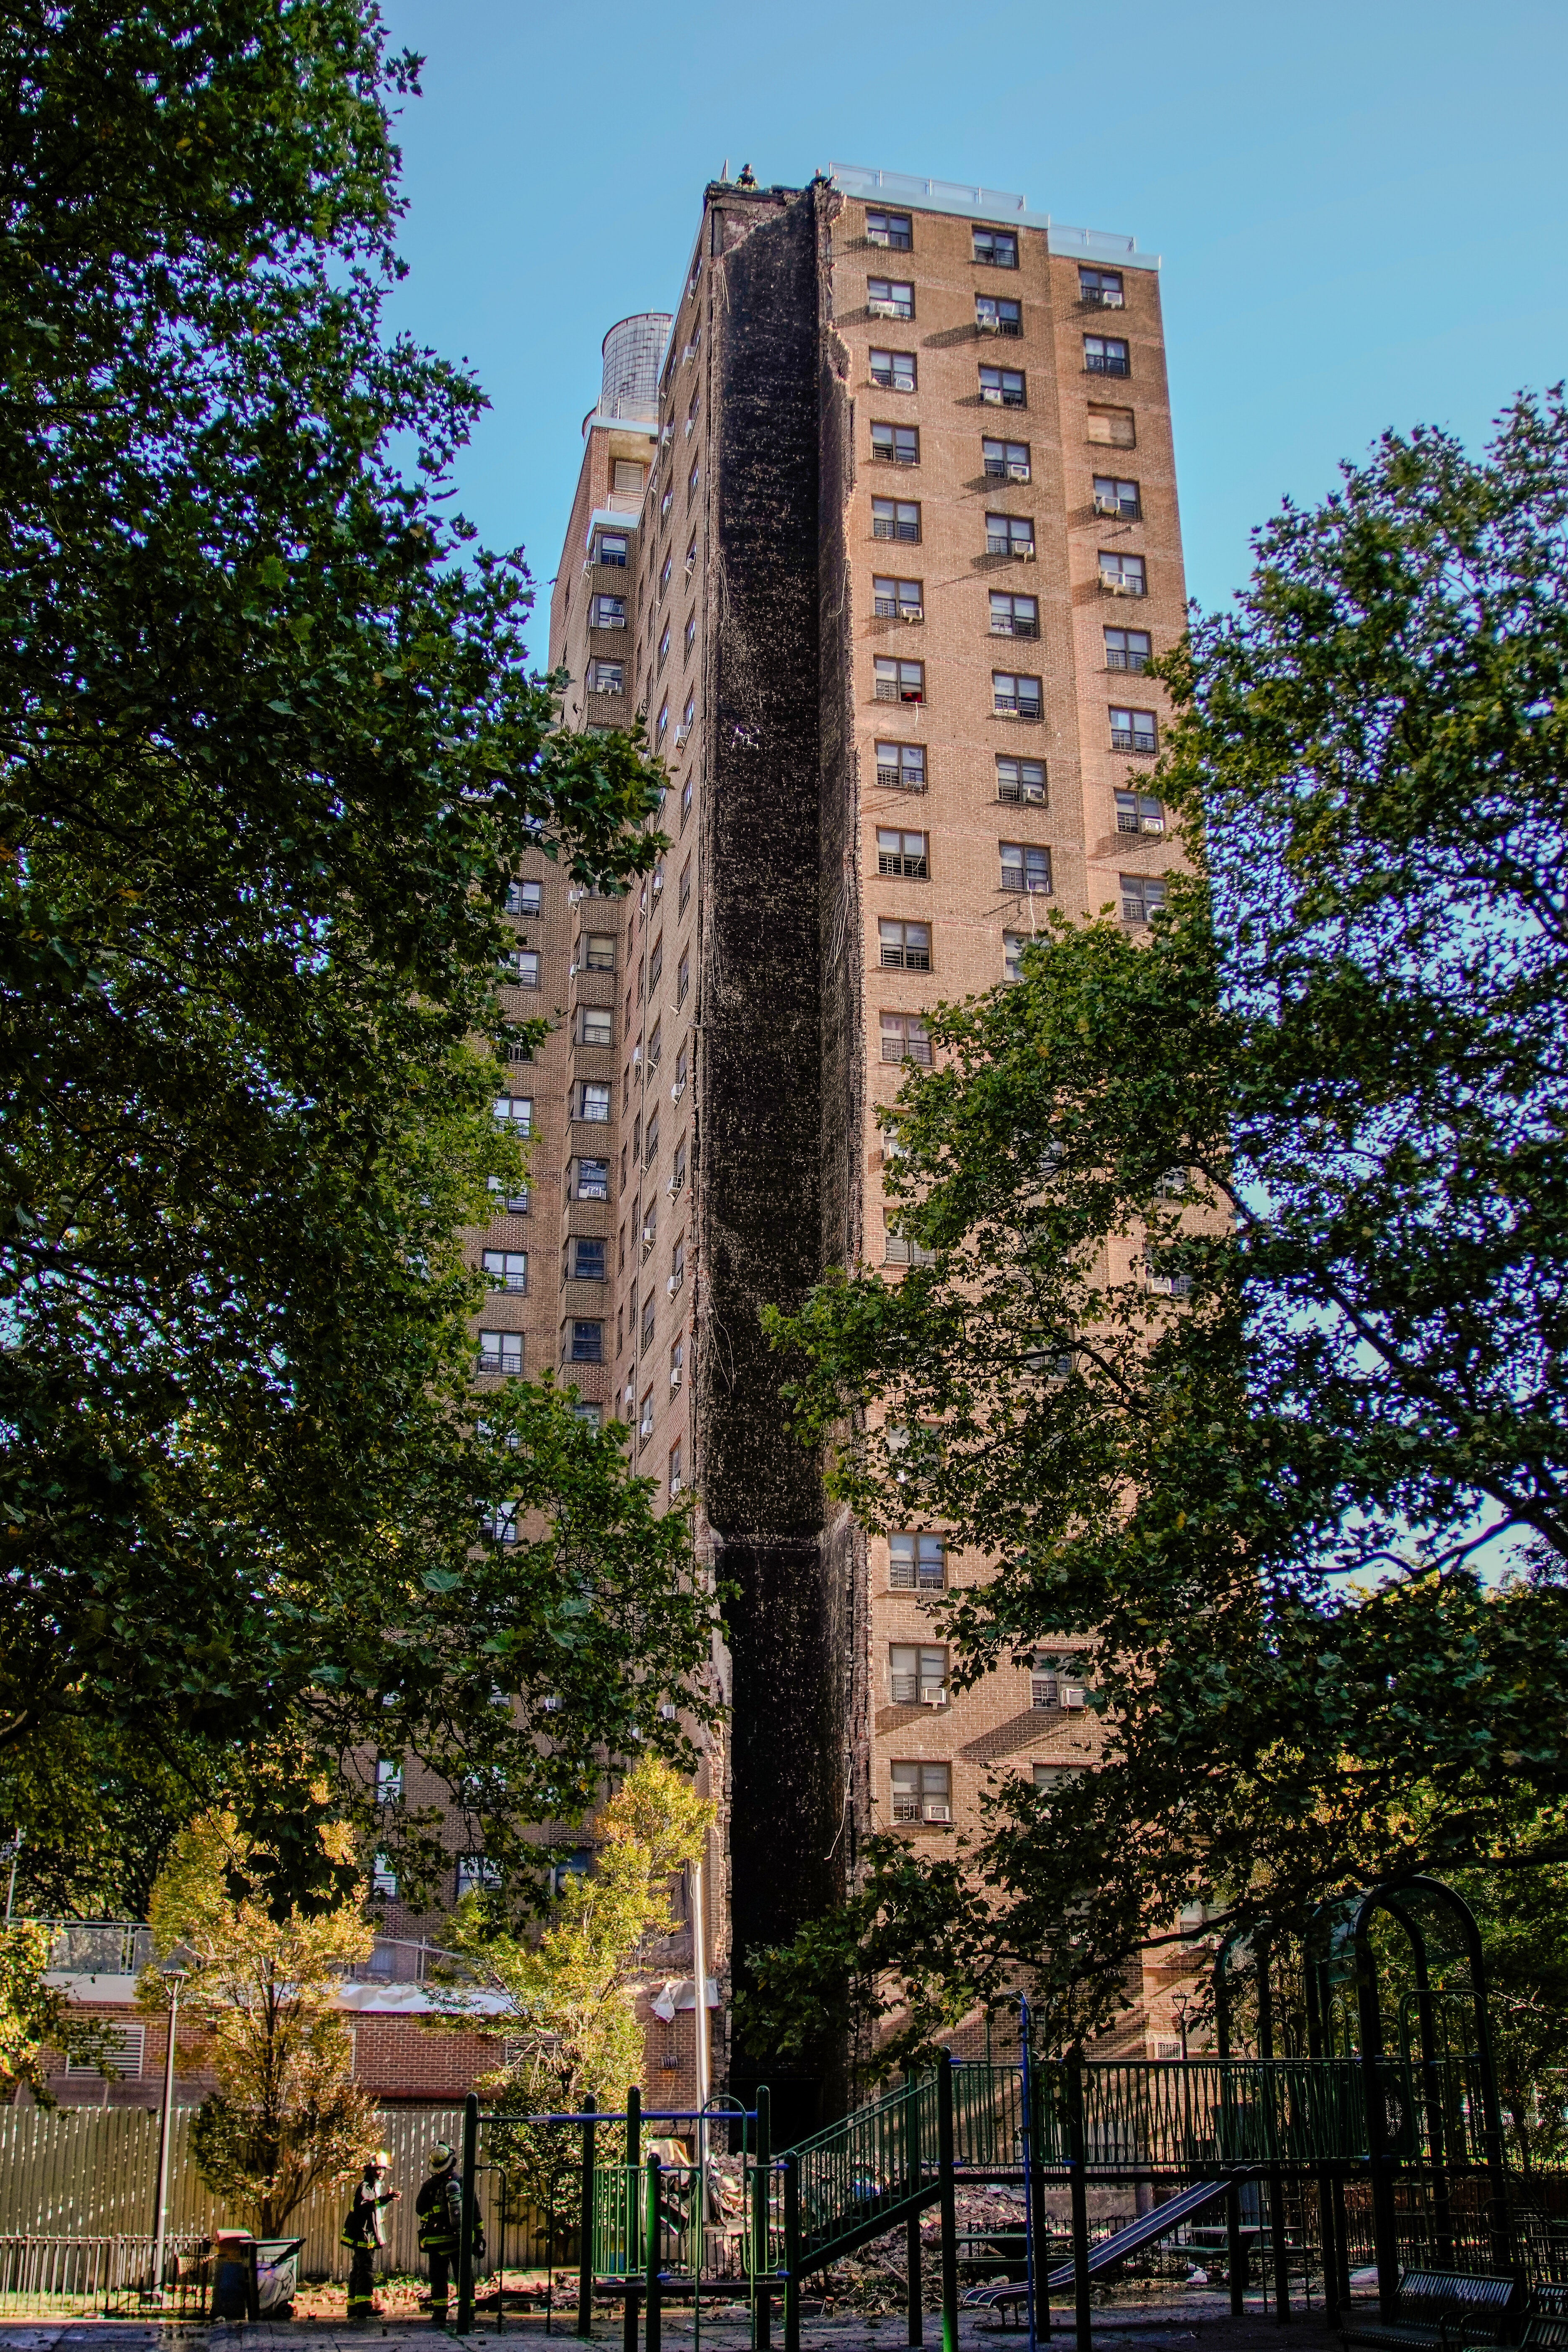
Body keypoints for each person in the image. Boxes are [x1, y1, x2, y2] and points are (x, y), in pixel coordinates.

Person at [416, 2141, 484, 2327]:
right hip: (459, 2240)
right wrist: (479, 2236)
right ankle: (468, 2311)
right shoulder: (462, 2183)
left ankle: (440, 2313)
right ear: (452, 2162)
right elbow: (475, 2212)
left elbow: (420, 2209)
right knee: (464, 2276)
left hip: (437, 2242)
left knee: (438, 2278)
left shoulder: (429, 2185)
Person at [341, 2150, 401, 2325]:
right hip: (364, 2236)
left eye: (383, 2169)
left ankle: (354, 2306)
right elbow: (365, 2206)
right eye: (377, 2169)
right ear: (369, 2170)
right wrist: (386, 2199)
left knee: (359, 2270)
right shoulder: (366, 2187)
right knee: (367, 2270)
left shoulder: (373, 2186)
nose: (381, 2172)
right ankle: (364, 2306)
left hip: (365, 2235)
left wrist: (386, 2199)